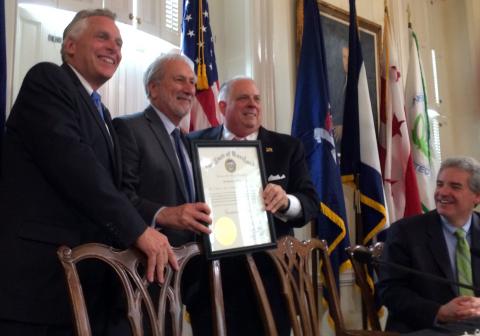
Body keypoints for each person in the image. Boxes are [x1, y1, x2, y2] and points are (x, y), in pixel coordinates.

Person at [0, 9, 177, 335]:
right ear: (70, 46)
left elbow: (116, 189)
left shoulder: (104, 115)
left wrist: (155, 221)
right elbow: (76, 167)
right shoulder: (48, 81)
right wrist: (139, 230)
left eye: (120, 43)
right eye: (102, 37)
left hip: (87, 287)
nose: (115, 48)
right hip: (39, 286)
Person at [189, 76, 319, 336]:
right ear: (223, 107)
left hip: (271, 278)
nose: (253, 105)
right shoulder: (192, 143)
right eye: (243, 98)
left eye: (257, 98)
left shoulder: (287, 147)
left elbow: (310, 203)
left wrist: (286, 202)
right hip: (210, 279)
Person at [378, 156, 480, 333]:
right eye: (440, 184)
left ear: (476, 197)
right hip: (427, 327)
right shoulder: (405, 232)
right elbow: (390, 291)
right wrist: (439, 312)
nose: (442, 192)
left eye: (455, 187)